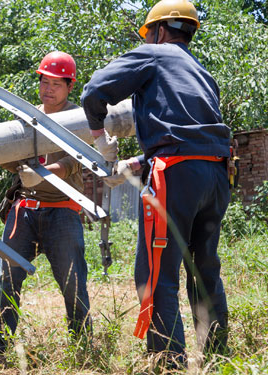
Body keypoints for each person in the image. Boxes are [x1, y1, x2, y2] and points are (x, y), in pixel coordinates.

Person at [81, 0, 230, 367]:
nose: (148, 40)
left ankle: (169, 362)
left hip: (177, 176)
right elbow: (190, 133)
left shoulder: (155, 54)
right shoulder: (202, 72)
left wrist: (101, 140)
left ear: (160, 31)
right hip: (216, 175)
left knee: (157, 272)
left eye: (149, 35)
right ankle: (216, 358)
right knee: (204, 268)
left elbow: (93, 92)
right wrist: (142, 161)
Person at [0, 51, 92, 369]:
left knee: (73, 283)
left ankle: (81, 347)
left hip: (63, 210)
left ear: (69, 86)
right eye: (44, 81)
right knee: (6, 280)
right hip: (26, 209)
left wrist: (49, 171)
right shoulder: (26, 117)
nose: (48, 89)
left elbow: (79, 158)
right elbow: (9, 157)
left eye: (56, 83)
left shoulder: (78, 118)